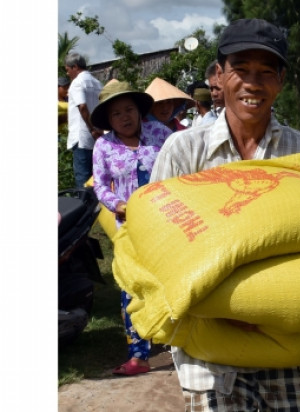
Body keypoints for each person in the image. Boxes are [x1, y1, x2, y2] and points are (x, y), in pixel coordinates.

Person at [150, 18, 300, 411]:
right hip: (210, 352)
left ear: (281, 80)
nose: (253, 83)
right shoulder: (184, 151)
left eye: (266, 72)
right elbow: (156, 245)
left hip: (292, 346)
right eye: (241, 69)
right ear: (219, 76)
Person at [90, 80, 172, 376]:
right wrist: (117, 203)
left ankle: (182, 344)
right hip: (132, 228)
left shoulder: (162, 135)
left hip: (167, 224)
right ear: (109, 120)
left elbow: (181, 167)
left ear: (139, 111)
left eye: (129, 109)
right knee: (131, 287)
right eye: (116, 114)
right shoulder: (104, 146)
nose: (125, 117)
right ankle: (139, 355)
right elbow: (99, 184)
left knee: (172, 281)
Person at [64, 52, 104, 188]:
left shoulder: (77, 83)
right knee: (96, 178)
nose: (68, 74)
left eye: (68, 70)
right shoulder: (97, 83)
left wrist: (91, 128)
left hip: (82, 137)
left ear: (75, 67)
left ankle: (84, 208)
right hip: (97, 137)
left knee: (83, 180)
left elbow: (82, 106)